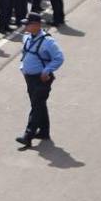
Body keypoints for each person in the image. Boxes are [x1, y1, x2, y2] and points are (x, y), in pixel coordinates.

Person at [15, 12, 64, 147]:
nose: (25, 27)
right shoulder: (27, 37)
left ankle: (28, 135)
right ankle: (44, 131)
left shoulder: (48, 42)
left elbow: (59, 58)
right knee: (39, 104)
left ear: (36, 25)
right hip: (29, 78)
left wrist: (47, 70)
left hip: (41, 79)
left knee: (36, 106)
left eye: (28, 24)